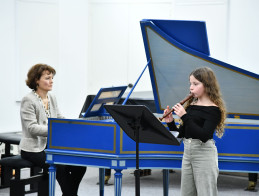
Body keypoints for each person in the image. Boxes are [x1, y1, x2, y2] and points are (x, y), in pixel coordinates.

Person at [19, 63, 86, 196]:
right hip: (33, 148)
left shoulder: (51, 97)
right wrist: (55, 129)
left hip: (51, 145)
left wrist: (72, 123)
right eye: (47, 78)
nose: (51, 81)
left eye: (52, 78)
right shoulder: (28, 100)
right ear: (36, 80)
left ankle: (70, 194)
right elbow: (32, 128)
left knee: (80, 165)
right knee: (59, 167)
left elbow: (58, 117)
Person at [163, 67, 226, 196]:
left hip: (204, 155)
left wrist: (185, 116)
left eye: (195, 84)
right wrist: (170, 122)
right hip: (187, 153)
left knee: (206, 193)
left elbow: (204, 135)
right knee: (187, 193)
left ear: (207, 85)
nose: (191, 88)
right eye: (190, 83)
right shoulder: (191, 107)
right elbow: (181, 135)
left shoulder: (214, 110)